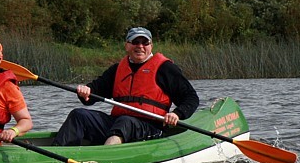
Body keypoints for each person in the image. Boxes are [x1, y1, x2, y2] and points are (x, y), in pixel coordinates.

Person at [53, 27, 199, 146]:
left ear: (151, 46)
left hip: (151, 127)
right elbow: (93, 93)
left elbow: (191, 98)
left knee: (125, 122)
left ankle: (104, 158)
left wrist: (177, 114)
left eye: (145, 42)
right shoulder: (117, 69)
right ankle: (57, 153)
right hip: (118, 123)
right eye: (135, 42)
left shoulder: (165, 69)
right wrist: (85, 92)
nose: (140, 46)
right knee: (79, 115)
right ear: (127, 45)